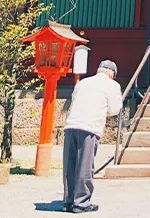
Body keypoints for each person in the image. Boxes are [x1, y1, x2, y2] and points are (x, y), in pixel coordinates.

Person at [63, 59, 122, 214]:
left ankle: (69, 200)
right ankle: (81, 202)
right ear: (112, 74)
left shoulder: (83, 83)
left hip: (71, 125)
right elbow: (115, 109)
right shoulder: (112, 85)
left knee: (70, 165)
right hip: (89, 126)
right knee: (85, 165)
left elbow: (74, 99)